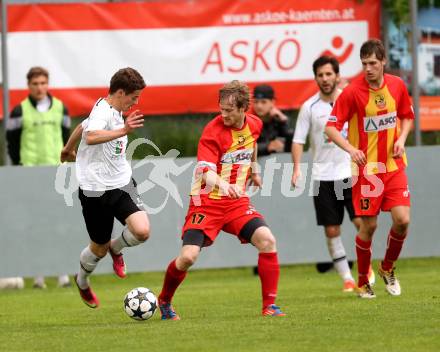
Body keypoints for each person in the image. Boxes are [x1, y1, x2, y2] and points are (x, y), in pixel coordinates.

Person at [157, 80, 285, 319]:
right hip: (206, 203)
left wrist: (254, 170)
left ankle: (269, 307)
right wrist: (226, 186)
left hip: (236, 204)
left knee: (267, 240)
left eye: (228, 110)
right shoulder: (212, 132)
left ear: (243, 109)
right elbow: (204, 171)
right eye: (221, 109)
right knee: (187, 257)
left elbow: (253, 143)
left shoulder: (254, 124)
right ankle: (164, 300)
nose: (223, 114)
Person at [325, 39, 414, 298]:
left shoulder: (397, 85)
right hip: (367, 171)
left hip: (394, 165)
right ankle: (363, 281)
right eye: (364, 64)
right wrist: (351, 149)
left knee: (403, 220)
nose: (368, 68)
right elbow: (330, 127)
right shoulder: (352, 92)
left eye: (373, 63)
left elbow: (407, 116)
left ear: (383, 62)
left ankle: (387, 268)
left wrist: (401, 139)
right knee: (370, 226)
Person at [60, 67, 150, 308]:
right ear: (120, 92)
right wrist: (124, 130)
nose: (136, 102)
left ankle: (116, 248)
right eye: (134, 97)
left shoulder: (112, 108)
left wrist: (68, 148)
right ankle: (82, 281)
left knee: (142, 231)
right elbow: (90, 136)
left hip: (121, 183)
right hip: (95, 190)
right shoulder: (103, 111)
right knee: (97, 249)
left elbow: (83, 127)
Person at [291, 56, 375, 292]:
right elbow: (298, 141)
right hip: (323, 175)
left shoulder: (351, 99)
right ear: (316, 78)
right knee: (332, 229)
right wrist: (297, 167)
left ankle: (365, 267)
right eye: (320, 75)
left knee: (361, 222)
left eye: (329, 74)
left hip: (351, 171)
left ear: (337, 76)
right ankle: (347, 278)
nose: (325, 79)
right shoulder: (309, 107)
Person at [6, 66, 71, 288]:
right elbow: (12, 143)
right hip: (30, 175)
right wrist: (20, 168)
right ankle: (38, 276)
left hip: (55, 174)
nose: (39, 87)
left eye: (43, 83)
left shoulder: (61, 108)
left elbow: (66, 138)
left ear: (48, 84)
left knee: (58, 225)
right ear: (29, 86)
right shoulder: (19, 111)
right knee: (34, 226)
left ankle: (62, 274)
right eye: (35, 84)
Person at [252, 84, 293, 156]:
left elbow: (294, 144)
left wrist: (284, 121)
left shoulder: (279, 120)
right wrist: (267, 146)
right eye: (256, 102)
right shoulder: (248, 122)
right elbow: (244, 149)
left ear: (272, 102)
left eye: (263, 102)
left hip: (279, 164)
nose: (259, 106)